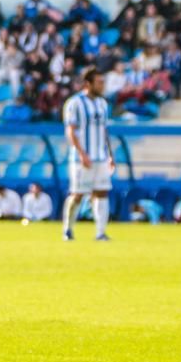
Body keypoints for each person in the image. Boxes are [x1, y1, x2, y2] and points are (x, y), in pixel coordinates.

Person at [62, 67, 114, 241]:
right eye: (99, 82)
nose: (102, 86)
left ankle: (100, 232)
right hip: (81, 158)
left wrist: (111, 155)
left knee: (102, 192)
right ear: (88, 83)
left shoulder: (103, 104)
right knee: (78, 194)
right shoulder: (74, 103)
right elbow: (71, 130)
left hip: (100, 157)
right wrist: (82, 153)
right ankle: (68, 229)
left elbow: (104, 131)